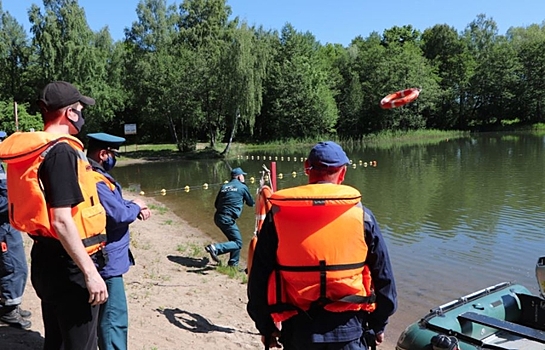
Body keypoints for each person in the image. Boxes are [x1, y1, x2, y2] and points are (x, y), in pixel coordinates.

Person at [247, 141, 397, 350]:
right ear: (342, 173)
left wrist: (266, 327)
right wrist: (378, 326)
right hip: (350, 331)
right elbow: (384, 278)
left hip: (298, 331)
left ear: (307, 167)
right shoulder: (363, 216)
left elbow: (258, 279)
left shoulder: (278, 217)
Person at [0, 81, 109, 350]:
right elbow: (61, 219)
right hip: (70, 264)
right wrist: (90, 272)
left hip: (46, 258)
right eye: (80, 109)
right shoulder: (61, 151)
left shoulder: (39, 149)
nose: (82, 115)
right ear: (70, 112)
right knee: (81, 345)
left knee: (57, 341)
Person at [86, 132, 151, 350]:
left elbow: (114, 205)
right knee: (114, 319)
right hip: (107, 261)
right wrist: (137, 205)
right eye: (114, 155)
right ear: (103, 154)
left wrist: (132, 204)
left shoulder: (90, 173)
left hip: (103, 257)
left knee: (105, 316)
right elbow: (119, 215)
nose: (115, 159)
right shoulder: (96, 180)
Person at [0, 130, 32, 329]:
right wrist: (18, 201)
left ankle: (12, 304)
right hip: (2, 226)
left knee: (13, 264)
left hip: (8, 222)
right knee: (14, 266)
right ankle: (9, 310)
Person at [206, 167, 255, 267]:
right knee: (238, 243)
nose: (244, 178)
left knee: (234, 240)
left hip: (218, 217)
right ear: (238, 177)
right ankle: (216, 248)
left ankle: (233, 265)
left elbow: (216, 204)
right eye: (242, 176)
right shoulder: (242, 187)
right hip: (227, 219)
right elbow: (251, 203)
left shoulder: (224, 186)